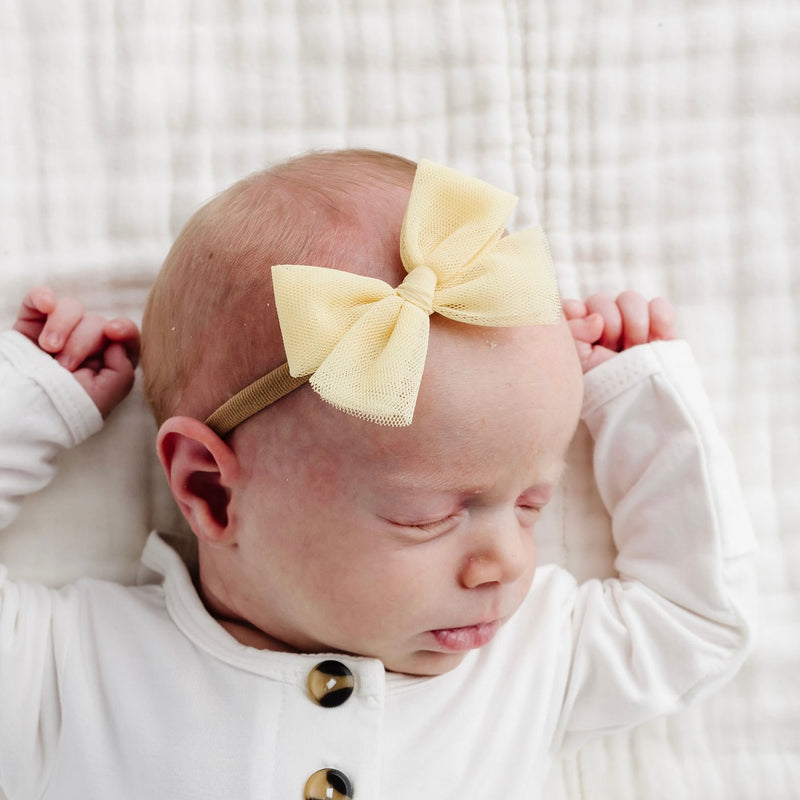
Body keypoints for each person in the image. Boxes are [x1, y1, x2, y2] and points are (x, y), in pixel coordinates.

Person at [0, 151, 756, 799]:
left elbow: (697, 625)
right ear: (210, 489)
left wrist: (641, 402)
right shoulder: (76, 668)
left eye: (532, 503)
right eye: (427, 516)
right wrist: (28, 405)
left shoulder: (527, 664)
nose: (509, 561)